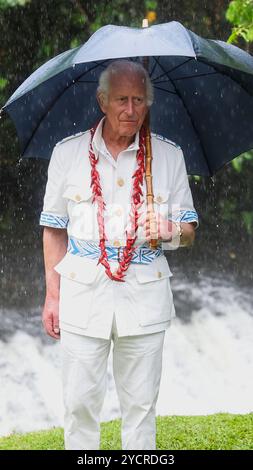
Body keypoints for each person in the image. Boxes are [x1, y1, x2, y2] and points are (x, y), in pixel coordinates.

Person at [39, 60, 199, 450]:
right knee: (79, 404)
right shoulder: (67, 153)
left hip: (144, 298)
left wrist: (169, 232)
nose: (131, 110)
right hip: (81, 295)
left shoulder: (169, 156)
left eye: (140, 100)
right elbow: (54, 227)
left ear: (149, 103)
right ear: (102, 100)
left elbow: (189, 231)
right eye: (123, 100)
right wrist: (53, 295)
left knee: (141, 407)